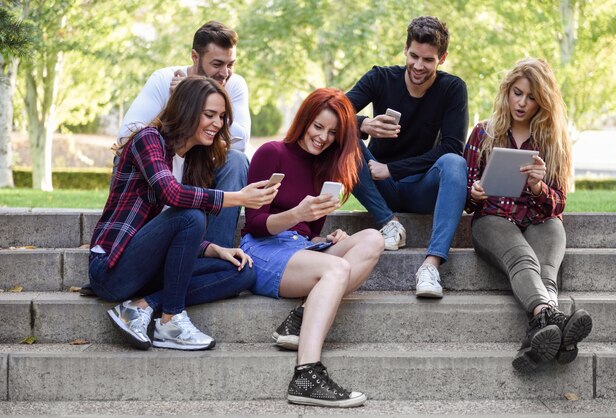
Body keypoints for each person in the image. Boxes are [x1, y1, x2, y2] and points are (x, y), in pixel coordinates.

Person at [89, 76, 278, 351]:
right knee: (192, 214)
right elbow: (172, 196)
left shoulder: (192, 160)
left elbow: (168, 229)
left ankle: (142, 306)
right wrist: (238, 198)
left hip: (149, 267)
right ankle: (170, 321)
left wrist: (214, 249)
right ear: (187, 110)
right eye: (209, 114)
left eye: (222, 116)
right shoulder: (148, 139)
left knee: (242, 272)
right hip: (112, 269)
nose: (217, 124)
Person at [240, 88, 384, 407]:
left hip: (299, 250)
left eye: (332, 133)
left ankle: (301, 315)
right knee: (337, 268)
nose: (322, 137)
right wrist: (296, 214)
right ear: (304, 119)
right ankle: (306, 374)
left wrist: (326, 240)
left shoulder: (325, 169)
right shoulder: (271, 153)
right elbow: (255, 223)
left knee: (374, 238)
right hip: (263, 249)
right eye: (318, 126)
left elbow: (308, 234)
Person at [463, 58, 592, 373]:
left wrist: (537, 187)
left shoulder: (553, 142)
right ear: (507, 91)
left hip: (540, 219)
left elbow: (557, 203)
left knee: (547, 270)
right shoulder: (483, 133)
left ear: (543, 102)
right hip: (493, 219)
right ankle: (556, 322)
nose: (522, 102)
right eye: (517, 93)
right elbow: (465, 195)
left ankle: (539, 338)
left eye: (531, 97)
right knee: (523, 259)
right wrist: (474, 193)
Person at [346, 16, 468, 299]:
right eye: (414, 56)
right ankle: (389, 224)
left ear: (443, 58)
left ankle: (431, 264)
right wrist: (363, 124)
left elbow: (452, 147)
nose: (418, 66)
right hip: (380, 189)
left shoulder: (452, 89)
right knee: (343, 134)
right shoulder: (380, 78)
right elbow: (328, 113)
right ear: (405, 49)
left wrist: (392, 169)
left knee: (454, 163)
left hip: (420, 188)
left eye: (428, 60)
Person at [117, 20, 250, 249]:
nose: (225, 73)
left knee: (236, 161)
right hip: (162, 167)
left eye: (231, 64)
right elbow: (126, 136)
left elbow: (240, 142)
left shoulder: (234, 84)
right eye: (217, 64)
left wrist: (207, 102)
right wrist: (181, 102)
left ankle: (219, 254)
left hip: (201, 166)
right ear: (195, 57)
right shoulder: (163, 79)